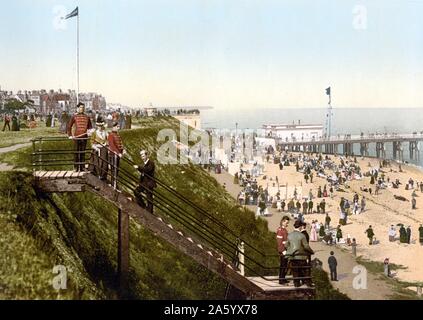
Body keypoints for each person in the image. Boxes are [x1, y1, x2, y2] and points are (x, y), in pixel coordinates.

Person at [286, 220, 314, 287]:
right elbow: (306, 246)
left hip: (292, 257)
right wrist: (312, 252)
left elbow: (286, 245)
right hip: (301, 257)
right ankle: (308, 284)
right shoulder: (302, 236)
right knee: (305, 271)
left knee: (295, 272)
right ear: (300, 227)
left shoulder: (289, 235)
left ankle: (296, 285)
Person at [67, 103, 92, 172]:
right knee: (76, 152)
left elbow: (90, 127)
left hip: (84, 137)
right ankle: (76, 168)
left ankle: (82, 167)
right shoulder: (74, 116)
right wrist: (70, 135)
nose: (82, 109)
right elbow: (69, 127)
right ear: (77, 108)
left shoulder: (87, 117)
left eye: (83, 107)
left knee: (82, 152)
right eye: (81, 107)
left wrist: (90, 131)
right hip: (76, 137)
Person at [108, 122, 125, 188]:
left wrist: (123, 150)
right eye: (117, 127)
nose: (118, 128)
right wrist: (118, 153)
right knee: (113, 169)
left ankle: (115, 183)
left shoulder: (117, 135)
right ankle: (113, 184)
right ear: (114, 127)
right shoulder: (111, 135)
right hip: (113, 155)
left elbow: (120, 144)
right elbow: (112, 146)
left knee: (116, 170)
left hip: (117, 155)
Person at [276, 216, 290, 285]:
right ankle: (281, 280)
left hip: (285, 250)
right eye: (286, 223)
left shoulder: (284, 230)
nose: (287, 224)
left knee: (284, 265)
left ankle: (283, 278)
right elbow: (279, 242)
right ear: (283, 221)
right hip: (283, 250)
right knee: (283, 265)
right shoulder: (280, 230)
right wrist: (283, 251)